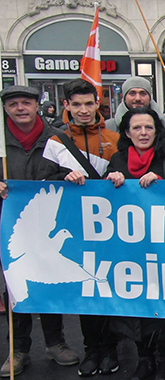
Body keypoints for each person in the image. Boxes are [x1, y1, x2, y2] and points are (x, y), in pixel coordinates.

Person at [41, 78, 121, 377]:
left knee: (108, 286)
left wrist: (117, 176)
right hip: (75, 229)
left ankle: (110, 347)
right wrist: (63, 177)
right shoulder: (56, 142)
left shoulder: (113, 138)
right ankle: (93, 349)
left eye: (89, 104)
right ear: (66, 106)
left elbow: (123, 173)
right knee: (87, 288)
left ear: (98, 104)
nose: (83, 110)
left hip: (108, 229)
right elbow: (42, 183)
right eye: (77, 104)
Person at [0, 85, 79, 377]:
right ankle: (17, 349)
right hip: (9, 230)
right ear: (6, 109)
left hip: (46, 226)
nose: (20, 108)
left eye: (26, 103)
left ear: (37, 106)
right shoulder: (1, 142)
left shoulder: (56, 138)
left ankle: (55, 342)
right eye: (13, 104)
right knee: (15, 287)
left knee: (47, 282)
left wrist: (71, 176)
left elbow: (71, 172)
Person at [102, 106, 165, 380]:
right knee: (136, 305)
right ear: (126, 132)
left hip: (164, 248)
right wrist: (110, 183)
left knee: (164, 307)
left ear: (157, 131)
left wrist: (163, 185)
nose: (143, 132)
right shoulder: (117, 160)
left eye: (148, 127)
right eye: (137, 128)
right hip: (130, 249)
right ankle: (144, 357)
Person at [103, 76, 165, 140]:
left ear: (150, 98)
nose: (138, 98)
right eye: (132, 93)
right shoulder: (108, 127)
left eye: (143, 93)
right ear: (124, 98)